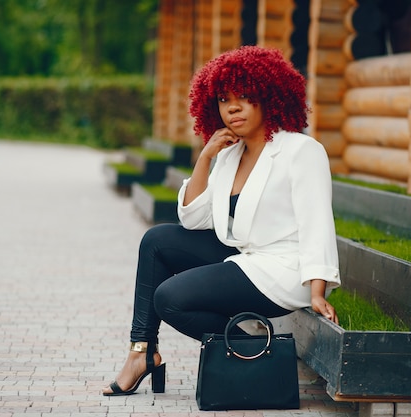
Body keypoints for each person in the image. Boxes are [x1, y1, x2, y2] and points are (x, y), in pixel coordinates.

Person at [102, 45, 340, 396]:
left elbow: (317, 221)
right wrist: (205, 158)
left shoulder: (300, 151)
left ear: (270, 95)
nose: (233, 107)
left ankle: (253, 354)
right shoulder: (229, 153)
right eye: (224, 99)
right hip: (245, 256)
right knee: (157, 241)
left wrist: (317, 291)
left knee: (169, 297)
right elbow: (194, 219)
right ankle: (142, 352)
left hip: (282, 269)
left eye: (245, 96)